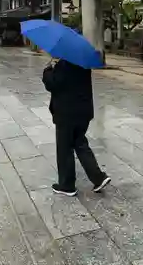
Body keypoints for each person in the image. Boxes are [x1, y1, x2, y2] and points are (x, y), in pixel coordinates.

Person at [42, 58, 111, 196]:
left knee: (64, 148)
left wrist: (48, 69)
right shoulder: (83, 62)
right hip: (83, 112)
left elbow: (52, 84)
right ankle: (98, 177)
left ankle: (67, 185)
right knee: (80, 143)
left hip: (67, 113)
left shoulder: (64, 64)